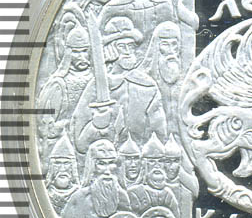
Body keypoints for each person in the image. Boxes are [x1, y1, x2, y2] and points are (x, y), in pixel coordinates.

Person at [72, 17, 167, 152]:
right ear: (110, 50)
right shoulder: (96, 86)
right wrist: (95, 126)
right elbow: (80, 144)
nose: (128, 51)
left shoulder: (148, 86)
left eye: (131, 46)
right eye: (122, 46)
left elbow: (160, 135)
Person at [37, 25, 93, 157]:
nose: (81, 56)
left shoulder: (95, 79)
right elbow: (46, 125)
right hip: (64, 148)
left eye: (85, 51)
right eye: (76, 52)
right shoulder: (58, 84)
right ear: (68, 53)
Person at [141, 21, 184, 134]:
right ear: (156, 46)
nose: (171, 50)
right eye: (165, 44)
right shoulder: (145, 78)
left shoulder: (186, 77)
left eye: (174, 44)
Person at [128, 133, 178, 215]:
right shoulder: (134, 193)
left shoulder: (168, 195)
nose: (157, 166)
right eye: (152, 161)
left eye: (160, 161)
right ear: (144, 164)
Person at [46, 132, 80, 215]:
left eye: (66, 163)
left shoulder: (80, 195)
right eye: (58, 163)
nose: (62, 168)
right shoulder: (45, 194)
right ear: (52, 167)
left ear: (72, 167)